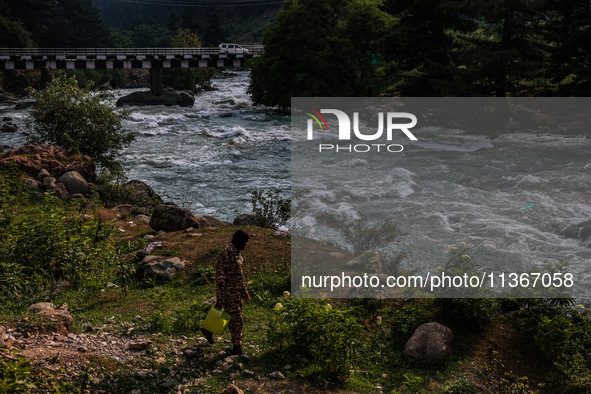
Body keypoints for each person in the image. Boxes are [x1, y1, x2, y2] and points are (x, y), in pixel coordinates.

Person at [201, 229, 251, 360]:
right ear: (240, 241)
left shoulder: (236, 252)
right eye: (246, 242)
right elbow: (220, 277)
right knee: (236, 320)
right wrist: (220, 298)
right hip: (229, 294)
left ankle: (208, 330)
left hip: (236, 292)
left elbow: (238, 275)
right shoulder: (227, 253)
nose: (247, 244)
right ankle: (237, 348)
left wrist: (244, 290)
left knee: (229, 317)